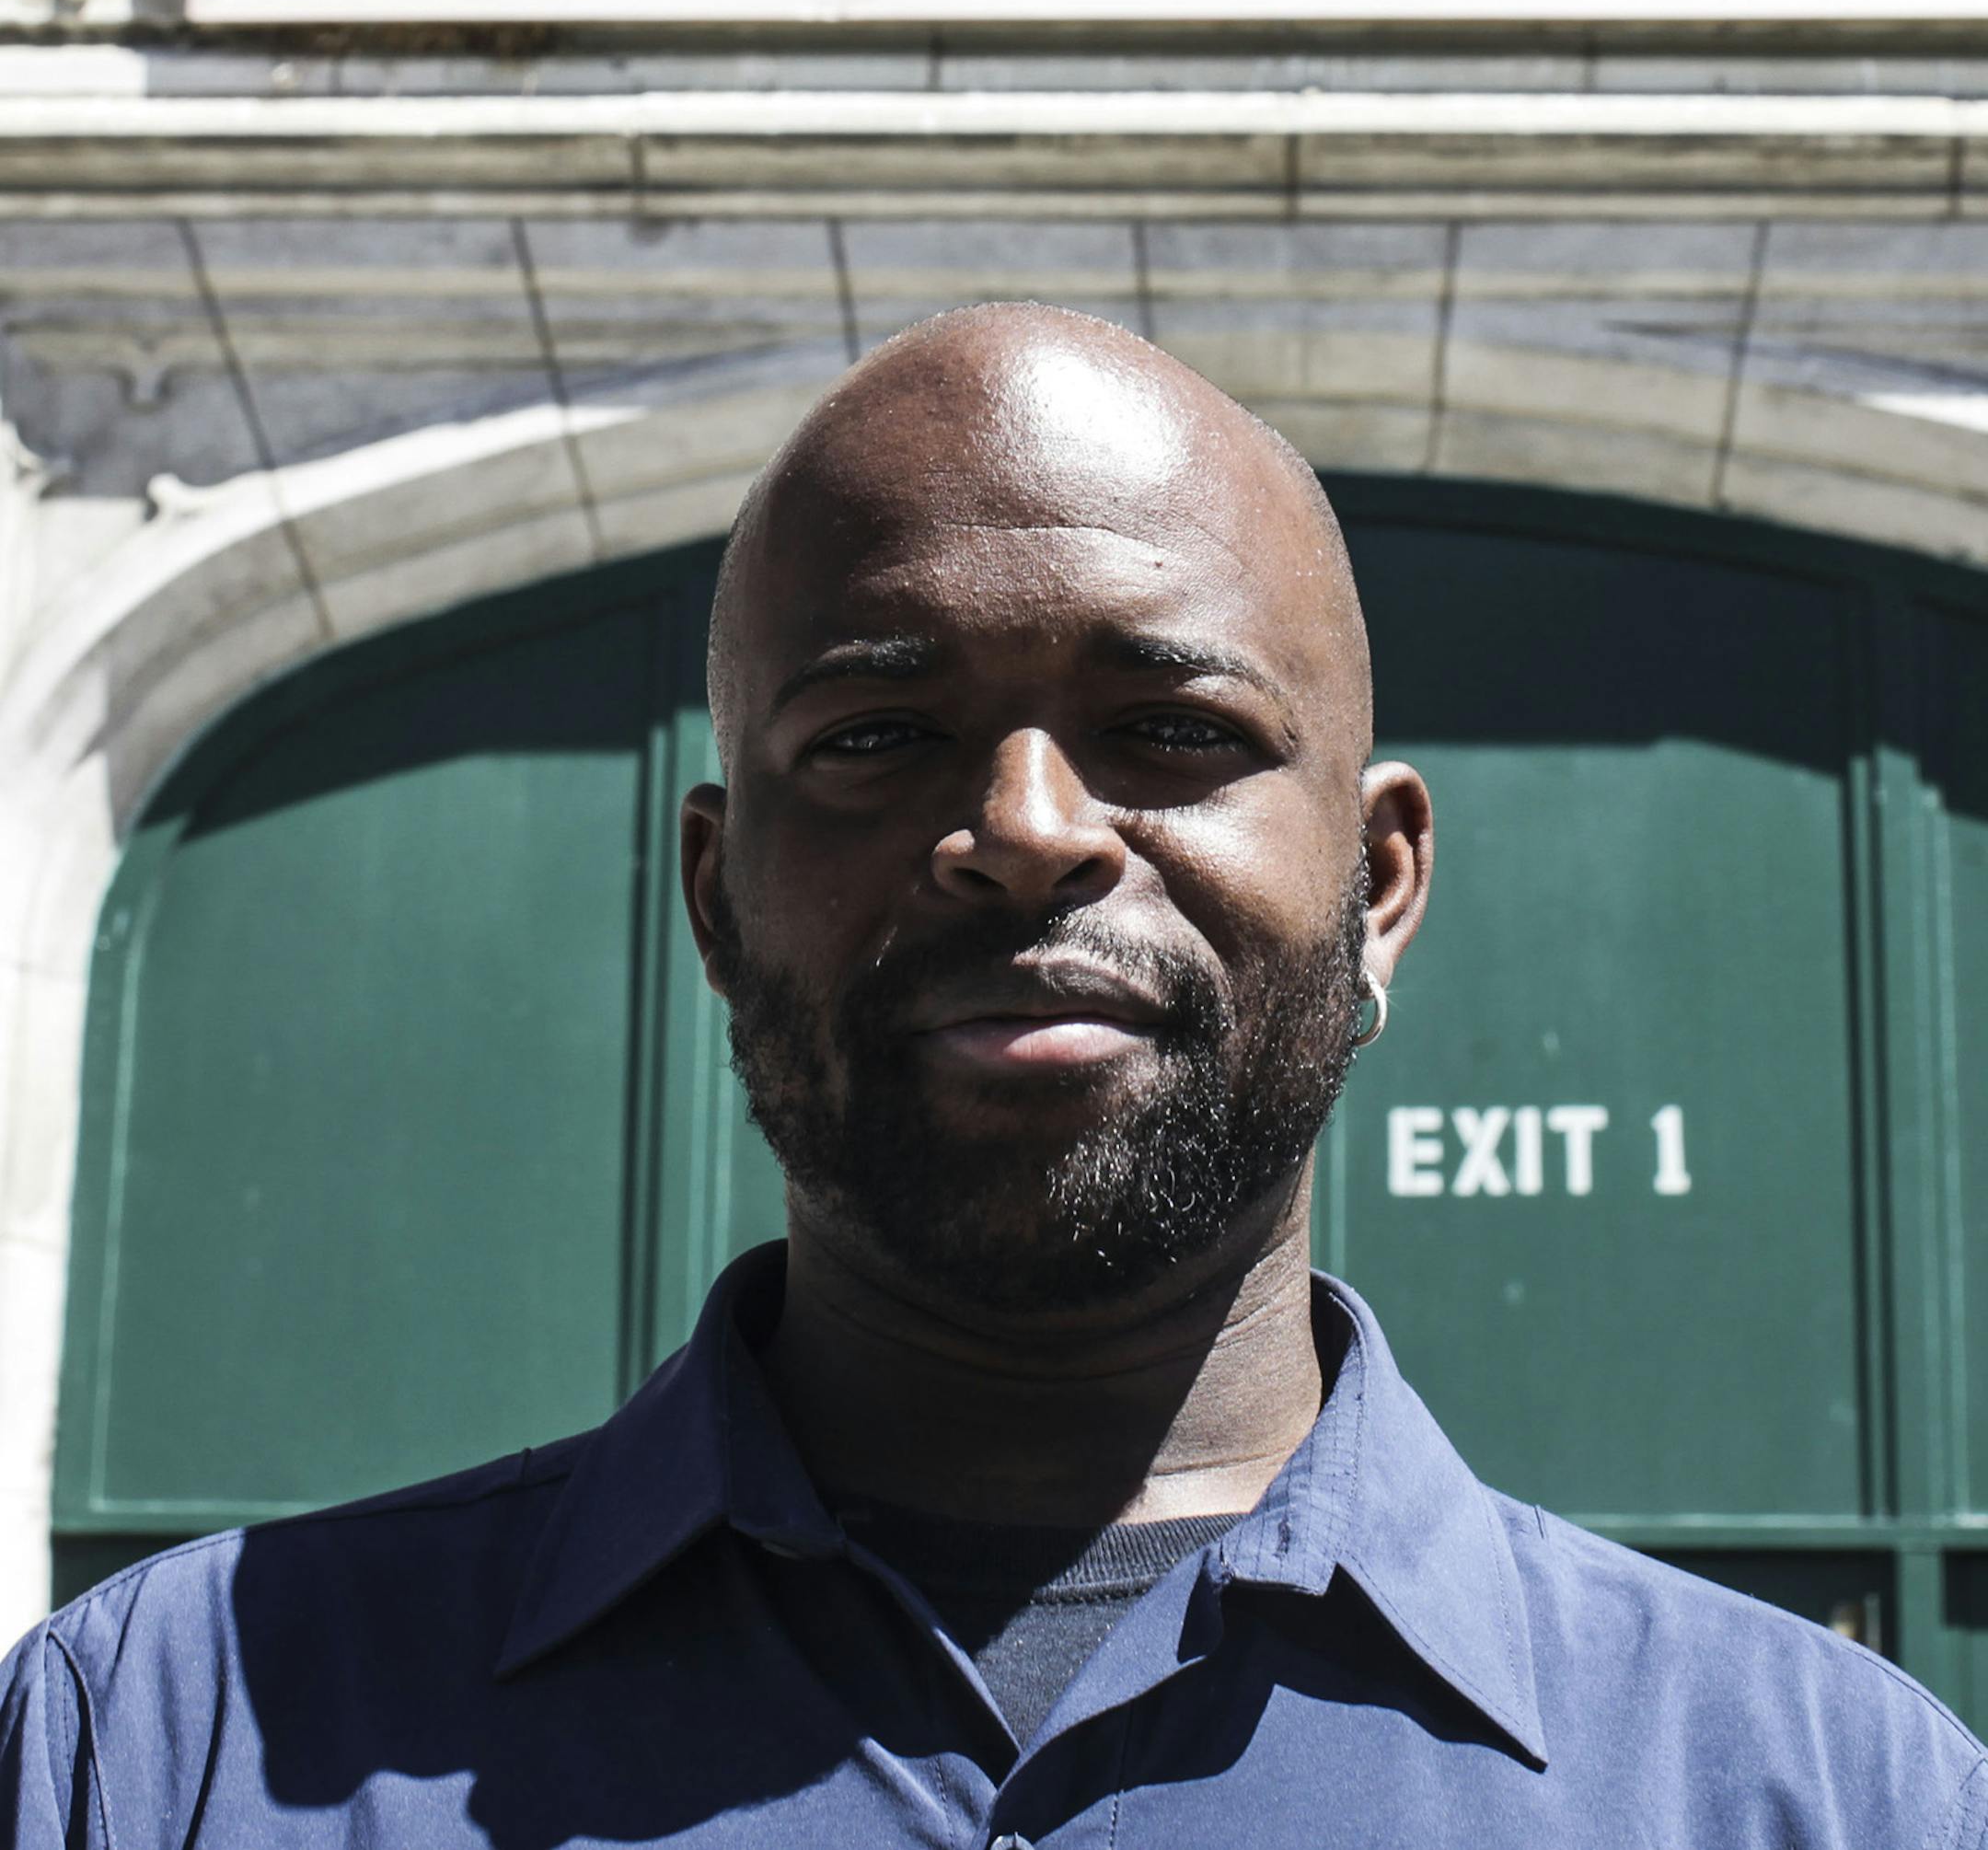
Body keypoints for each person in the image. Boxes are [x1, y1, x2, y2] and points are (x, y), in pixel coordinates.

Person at [2, 301, 1982, 1850]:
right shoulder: (165, 1742)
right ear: (715, 891)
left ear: (1378, 884)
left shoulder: (1823, 1792)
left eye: (1171, 727)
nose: (1029, 826)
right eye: (877, 733)